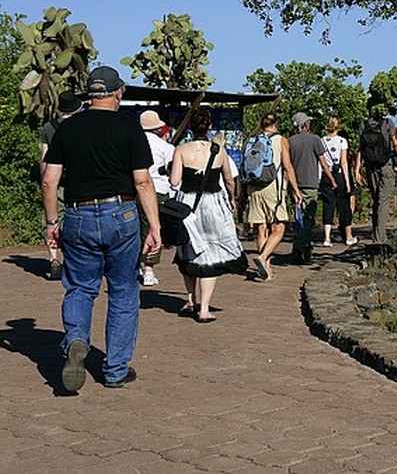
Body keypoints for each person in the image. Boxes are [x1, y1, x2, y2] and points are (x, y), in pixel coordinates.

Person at [41, 65, 160, 392]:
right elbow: (143, 181)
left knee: (79, 287)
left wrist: (52, 223)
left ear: (89, 95)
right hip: (120, 213)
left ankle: (77, 339)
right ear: (118, 92)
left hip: (78, 215)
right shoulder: (129, 129)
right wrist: (155, 227)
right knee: (123, 290)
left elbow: (49, 181)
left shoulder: (66, 129)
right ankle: (116, 369)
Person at [168, 108, 248, 322]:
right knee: (211, 253)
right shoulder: (219, 150)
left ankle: (190, 299)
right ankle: (204, 308)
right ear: (209, 126)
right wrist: (232, 198)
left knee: (188, 249)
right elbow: (229, 180)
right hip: (213, 204)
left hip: (188, 205)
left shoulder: (181, 150)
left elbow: (175, 182)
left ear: (190, 127)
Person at [247, 112, 301, 280]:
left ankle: (267, 270)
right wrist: (295, 190)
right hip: (272, 187)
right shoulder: (280, 140)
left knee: (261, 228)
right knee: (279, 227)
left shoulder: (252, 140)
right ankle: (263, 258)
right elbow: (288, 166)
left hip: (254, 187)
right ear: (276, 124)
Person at [39, 89, 83, 281]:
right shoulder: (81, 125)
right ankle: (75, 260)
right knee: (77, 219)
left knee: (52, 218)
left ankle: (53, 258)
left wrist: (45, 181)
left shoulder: (48, 128)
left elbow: (44, 157)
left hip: (55, 179)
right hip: (78, 180)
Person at [289, 112, 336, 264]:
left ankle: (305, 251)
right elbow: (323, 162)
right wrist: (332, 179)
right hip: (310, 183)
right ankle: (299, 245)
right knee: (309, 219)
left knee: (299, 218)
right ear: (305, 124)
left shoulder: (290, 141)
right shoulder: (315, 139)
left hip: (295, 184)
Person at [354, 102, 397, 246]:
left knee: (377, 200)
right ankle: (380, 238)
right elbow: (395, 143)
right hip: (386, 165)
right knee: (384, 201)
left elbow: (360, 148)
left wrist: (357, 169)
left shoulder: (363, 125)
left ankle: (376, 233)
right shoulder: (388, 123)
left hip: (370, 167)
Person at [138, 111, 175, 287]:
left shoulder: (134, 142)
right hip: (158, 190)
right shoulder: (165, 147)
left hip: (134, 190)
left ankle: (137, 264)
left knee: (137, 229)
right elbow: (172, 171)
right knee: (154, 229)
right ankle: (149, 269)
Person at [321, 116, 355, 247]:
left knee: (328, 205)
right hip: (339, 175)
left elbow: (321, 161)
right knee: (344, 206)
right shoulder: (342, 141)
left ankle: (327, 238)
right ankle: (348, 236)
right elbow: (344, 162)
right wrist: (347, 181)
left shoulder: (322, 141)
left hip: (326, 175)